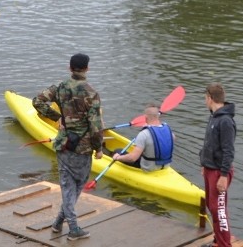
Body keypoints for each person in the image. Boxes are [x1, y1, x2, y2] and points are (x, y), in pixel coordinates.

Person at [33, 53, 103, 241]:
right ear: (87, 68)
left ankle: (57, 223)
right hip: (82, 147)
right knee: (76, 186)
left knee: (67, 184)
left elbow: (37, 101)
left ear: (69, 67)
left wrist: (58, 117)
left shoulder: (60, 87)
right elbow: (96, 126)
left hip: (63, 143)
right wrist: (99, 149)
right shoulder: (91, 93)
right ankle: (73, 228)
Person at [200, 83, 236, 247]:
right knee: (212, 206)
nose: (204, 101)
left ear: (210, 98)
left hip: (219, 172)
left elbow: (228, 151)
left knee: (219, 211)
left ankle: (224, 244)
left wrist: (223, 176)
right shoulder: (213, 117)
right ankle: (218, 241)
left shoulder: (226, 121)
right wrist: (204, 164)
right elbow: (209, 144)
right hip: (209, 168)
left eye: (205, 98)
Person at [111, 104, 174, 171]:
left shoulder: (144, 134)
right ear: (158, 116)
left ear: (145, 117)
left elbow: (132, 158)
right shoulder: (169, 130)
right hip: (166, 166)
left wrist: (118, 158)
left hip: (149, 168)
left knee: (118, 150)